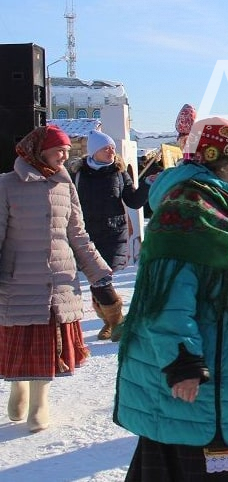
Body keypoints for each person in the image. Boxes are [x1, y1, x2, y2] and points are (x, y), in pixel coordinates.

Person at [114, 118, 228, 480]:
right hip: (208, 374)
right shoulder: (187, 207)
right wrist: (183, 362)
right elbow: (166, 298)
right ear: (225, 159)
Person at [1, 125, 118, 433]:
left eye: (67, 151)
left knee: (46, 343)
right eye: (59, 151)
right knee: (21, 341)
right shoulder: (6, 185)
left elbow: (78, 234)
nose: (64, 157)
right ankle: (19, 388)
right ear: (39, 151)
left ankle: (40, 401)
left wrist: (99, 273)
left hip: (58, 278)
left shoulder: (65, 185)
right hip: (19, 278)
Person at [73, 129, 150, 340]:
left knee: (101, 277)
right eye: (106, 148)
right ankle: (111, 322)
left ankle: (115, 322)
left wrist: (146, 185)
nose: (111, 151)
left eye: (112, 148)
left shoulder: (118, 173)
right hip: (86, 233)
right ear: (94, 151)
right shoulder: (78, 175)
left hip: (114, 232)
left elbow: (133, 201)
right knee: (95, 278)